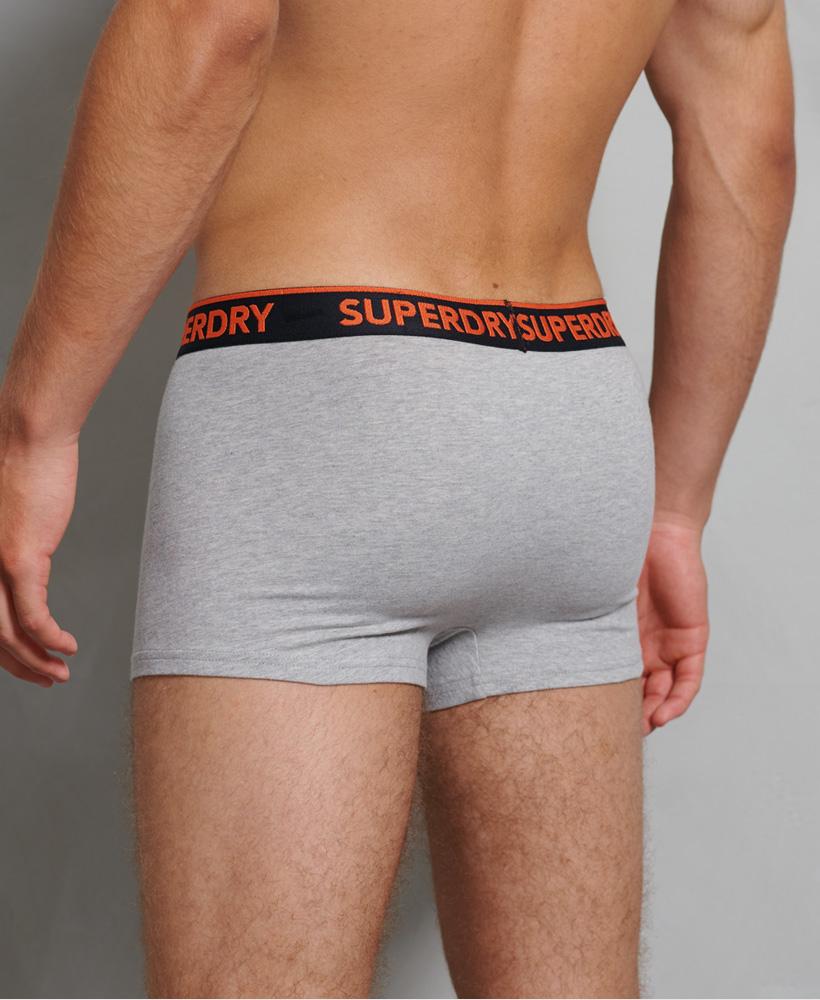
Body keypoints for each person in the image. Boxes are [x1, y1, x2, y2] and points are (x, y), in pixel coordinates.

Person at [0, 0, 794, 996]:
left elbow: (206, 21)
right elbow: (749, 140)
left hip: (317, 391)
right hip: (568, 404)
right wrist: (676, 506)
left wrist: (36, 424)